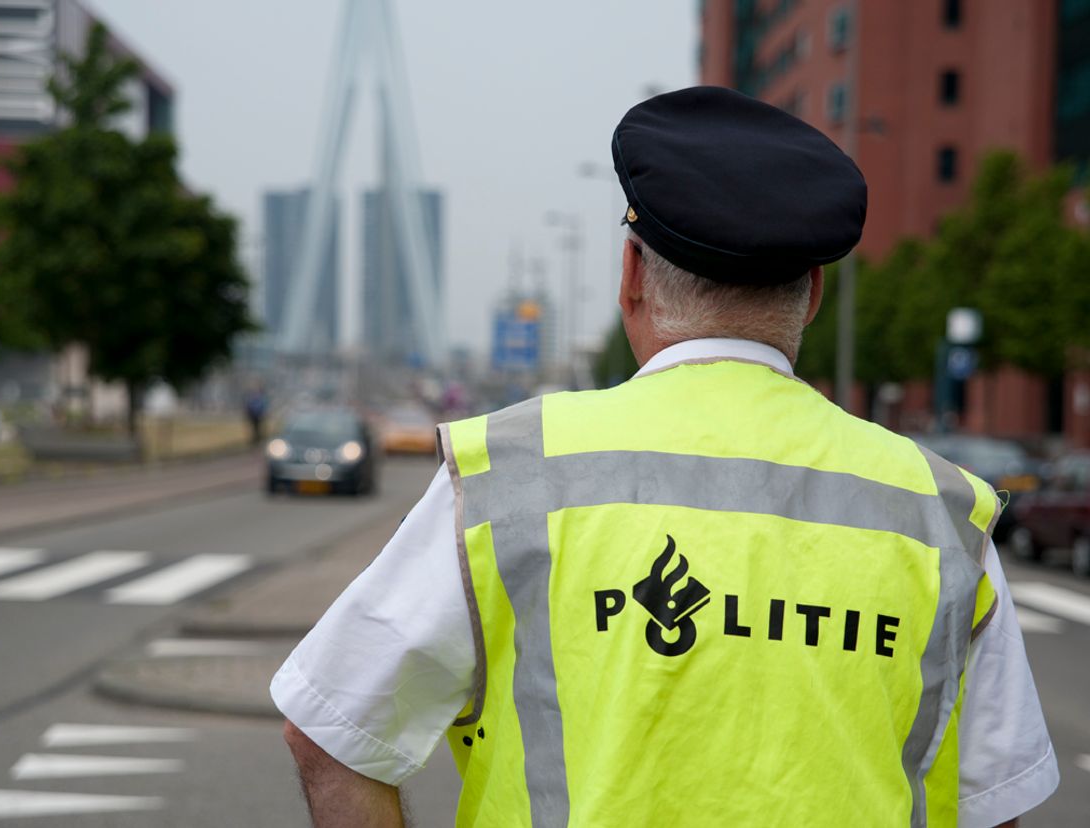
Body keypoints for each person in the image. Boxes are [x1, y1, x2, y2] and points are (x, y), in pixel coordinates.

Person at [273, 87, 1058, 827]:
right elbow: (999, 803)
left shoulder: (509, 479)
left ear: (631, 277)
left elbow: (329, 729)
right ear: (813, 294)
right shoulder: (942, 515)